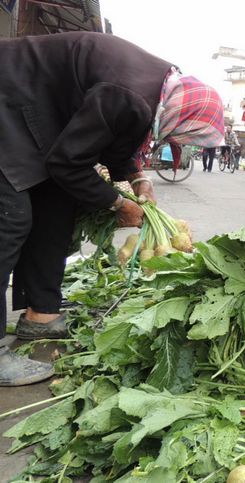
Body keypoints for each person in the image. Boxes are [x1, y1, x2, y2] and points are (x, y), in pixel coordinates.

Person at [0, 32, 224, 386]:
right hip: (8, 100)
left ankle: (40, 313)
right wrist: (117, 204)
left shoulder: (155, 92)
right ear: (182, 113)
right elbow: (67, 164)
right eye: (184, 133)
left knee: (56, 210)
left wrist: (138, 179)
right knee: (9, 222)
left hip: (36, 118)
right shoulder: (130, 94)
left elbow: (116, 142)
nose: (178, 141)